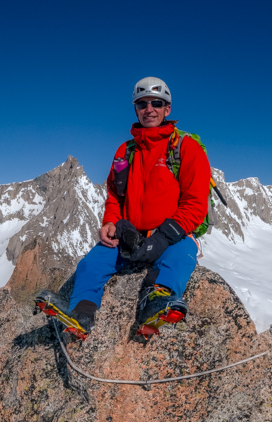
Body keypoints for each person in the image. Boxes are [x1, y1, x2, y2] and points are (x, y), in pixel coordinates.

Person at [36, 76, 211, 341]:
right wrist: (110, 222)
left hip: (172, 236)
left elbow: (195, 204)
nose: (149, 109)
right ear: (135, 109)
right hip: (131, 236)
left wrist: (163, 238)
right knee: (92, 263)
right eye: (142, 104)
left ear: (168, 109)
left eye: (156, 103)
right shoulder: (125, 151)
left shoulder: (186, 148)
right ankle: (81, 314)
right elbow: (114, 196)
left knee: (181, 255)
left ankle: (156, 304)